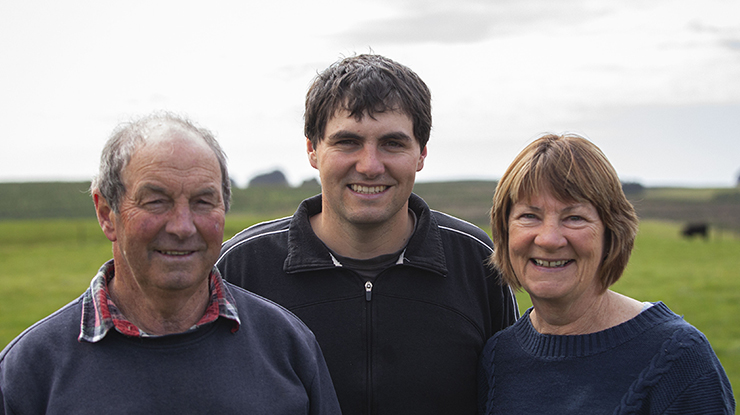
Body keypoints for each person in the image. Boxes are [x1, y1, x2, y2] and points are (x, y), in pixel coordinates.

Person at [218, 54, 519, 414]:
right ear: (313, 150)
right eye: (347, 142)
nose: (370, 166)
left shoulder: (476, 259)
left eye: (393, 143)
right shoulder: (241, 266)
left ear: (421, 153)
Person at [0, 113, 341, 414]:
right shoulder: (31, 370)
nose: (182, 226)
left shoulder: (286, 345)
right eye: (156, 201)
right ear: (106, 214)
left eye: (203, 201)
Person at [478, 133, 735, 414]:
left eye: (574, 217)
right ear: (504, 232)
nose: (549, 239)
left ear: (611, 234)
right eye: (529, 216)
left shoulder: (678, 359)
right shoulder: (497, 357)